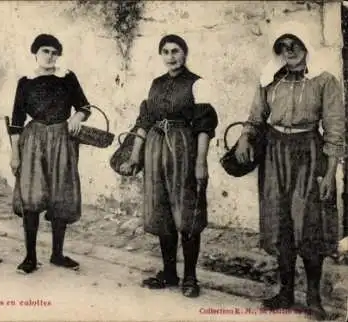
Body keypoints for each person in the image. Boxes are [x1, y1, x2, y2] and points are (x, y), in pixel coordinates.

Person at [234, 22, 344, 320]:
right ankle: (285, 293)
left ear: (306, 45)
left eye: (294, 44)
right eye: (283, 46)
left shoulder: (324, 80)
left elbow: (335, 129)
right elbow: (256, 117)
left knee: (310, 223)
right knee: (279, 220)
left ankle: (312, 298)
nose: (289, 50)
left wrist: (331, 172)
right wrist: (245, 137)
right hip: (274, 151)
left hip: (308, 152)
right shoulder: (270, 80)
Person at [120, 34, 218, 297]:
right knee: (161, 212)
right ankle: (169, 273)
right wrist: (134, 157)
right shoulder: (155, 84)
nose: (171, 56)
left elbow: (204, 128)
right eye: (165, 51)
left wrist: (200, 163)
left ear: (185, 54)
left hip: (183, 150)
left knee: (186, 214)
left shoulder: (197, 84)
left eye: (176, 51)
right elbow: (144, 122)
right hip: (154, 150)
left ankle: (190, 278)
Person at [8, 34, 92, 274]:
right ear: (35, 53)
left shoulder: (66, 77)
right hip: (33, 140)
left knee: (60, 195)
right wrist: (15, 154)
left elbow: (84, 106)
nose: (50, 56)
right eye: (45, 51)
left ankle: (57, 254)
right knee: (32, 196)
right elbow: (16, 121)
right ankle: (30, 257)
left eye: (55, 52)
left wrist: (76, 116)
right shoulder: (26, 81)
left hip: (61, 140)